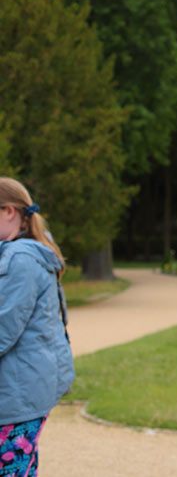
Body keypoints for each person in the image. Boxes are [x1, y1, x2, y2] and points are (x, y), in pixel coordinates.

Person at [0, 178, 75, 477]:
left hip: (17, 393)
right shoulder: (27, 253)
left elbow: (4, 328)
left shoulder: (20, 259)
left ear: (9, 211)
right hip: (24, 388)